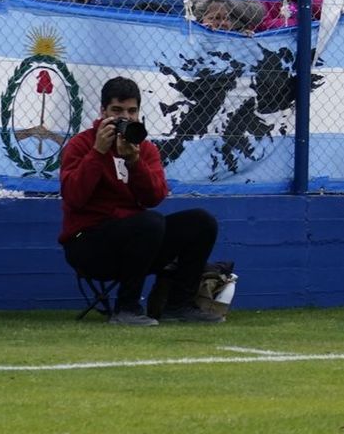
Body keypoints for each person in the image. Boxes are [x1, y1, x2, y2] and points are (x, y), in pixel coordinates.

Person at [59, 77, 223, 326]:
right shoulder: (81, 145)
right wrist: (97, 153)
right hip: (88, 242)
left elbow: (154, 197)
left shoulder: (145, 148)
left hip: (138, 239)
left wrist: (135, 163)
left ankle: (178, 305)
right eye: (117, 111)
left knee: (201, 222)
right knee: (149, 223)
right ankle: (127, 308)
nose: (125, 117)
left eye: (131, 111)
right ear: (103, 111)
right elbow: (74, 198)